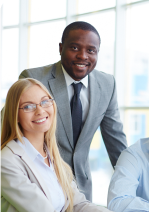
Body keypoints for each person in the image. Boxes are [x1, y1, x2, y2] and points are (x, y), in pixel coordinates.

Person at [0, 79, 149, 212]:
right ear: (15, 114)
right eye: (28, 106)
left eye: (45, 101)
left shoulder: (51, 154)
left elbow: (77, 204)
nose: (40, 110)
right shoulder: (7, 161)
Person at [0, 21, 127, 201]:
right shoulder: (34, 78)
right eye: (74, 48)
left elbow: (116, 142)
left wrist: (132, 186)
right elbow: (6, 127)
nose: (83, 56)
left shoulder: (107, 84)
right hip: (37, 183)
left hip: (81, 189)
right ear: (61, 48)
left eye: (91, 50)